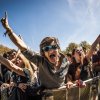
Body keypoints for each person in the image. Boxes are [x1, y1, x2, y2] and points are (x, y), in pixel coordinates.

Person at [1, 12, 74, 90]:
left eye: (54, 47)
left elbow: (67, 74)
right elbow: (22, 47)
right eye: (46, 49)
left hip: (61, 94)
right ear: (43, 53)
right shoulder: (40, 61)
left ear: (58, 48)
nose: (51, 50)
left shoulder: (65, 60)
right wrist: (8, 29)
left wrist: (69, 81)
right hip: (44, 95)